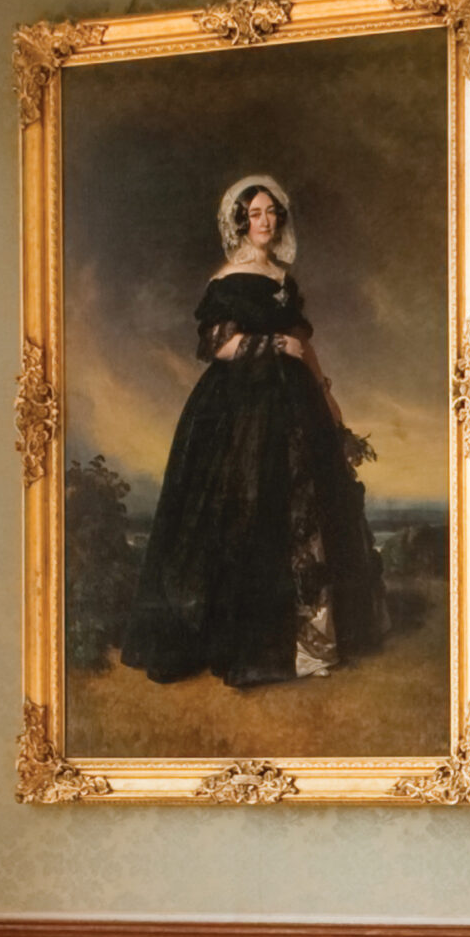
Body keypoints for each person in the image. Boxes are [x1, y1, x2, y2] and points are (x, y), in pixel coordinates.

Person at [122, 175, 385, 690]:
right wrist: (272, 347)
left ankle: (313, 644)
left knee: (305, 513)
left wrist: (327, 396)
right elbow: (218, 345)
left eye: (272, 214)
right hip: (239, 409)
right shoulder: (228, 279)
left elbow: (304, 345)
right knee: (247, 511)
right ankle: (248, 643)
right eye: (257, 214)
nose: (266, 222)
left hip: (295, 404)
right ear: (240, 222)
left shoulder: (282, 276)